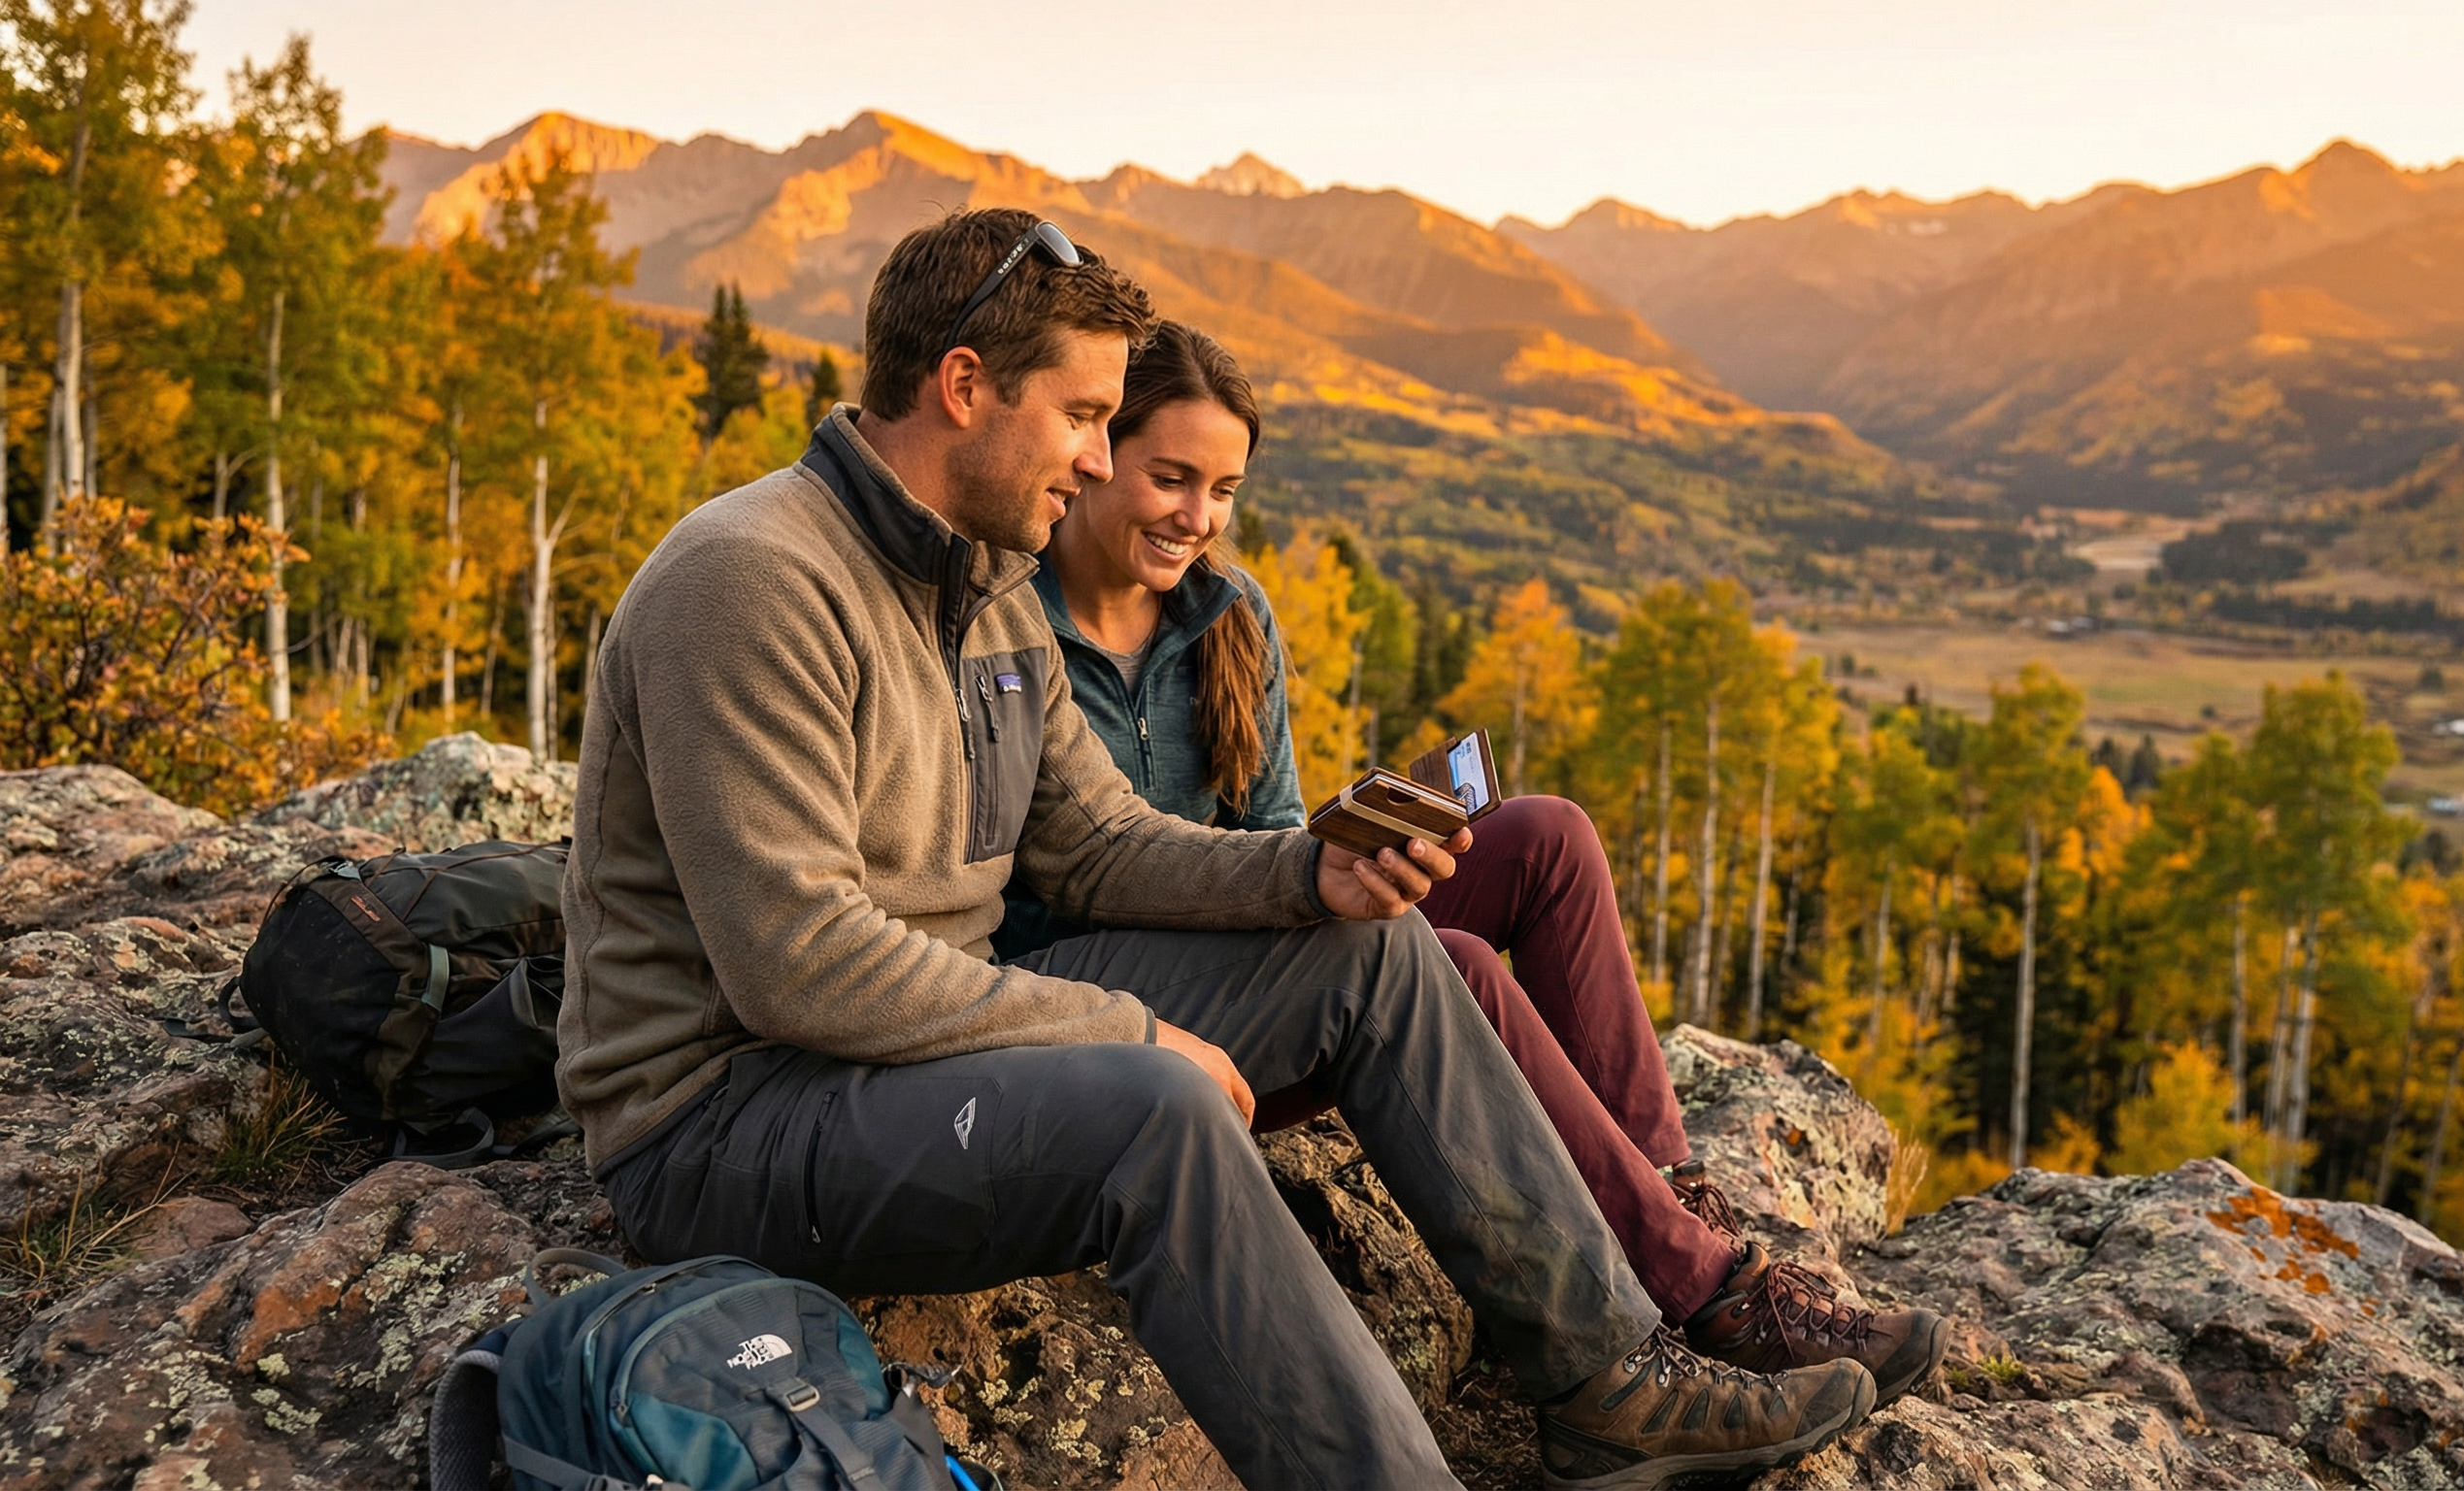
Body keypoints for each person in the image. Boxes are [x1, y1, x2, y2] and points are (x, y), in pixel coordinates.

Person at [561, 207, 1879, 1491]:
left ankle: (1608, 1391)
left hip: (911, 1067)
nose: (1094, 460)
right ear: (963, 385)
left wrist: (1309, 878)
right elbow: (799, 967)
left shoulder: (988, 585)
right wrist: (1122, 1032)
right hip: (729, 1119)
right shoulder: (750, 581)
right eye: (1081, 417)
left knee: (1376, 953)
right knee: (1159, 1110)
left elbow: (1096, 845)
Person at [1005, 320, 1951, 1399]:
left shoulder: (1231, 614)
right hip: (1123, 1017)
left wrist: (1359, 846)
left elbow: (1267, 836)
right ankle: (1709, 1292)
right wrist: (1317, 899)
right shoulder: (1008, 630)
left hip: (1256, 950)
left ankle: (1664, 1196)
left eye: (1221, 489)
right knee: (1443, 961)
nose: (1196, 518)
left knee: (1546, 836)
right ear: (1092, 455)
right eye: (1169, 478)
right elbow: (1054, 888)